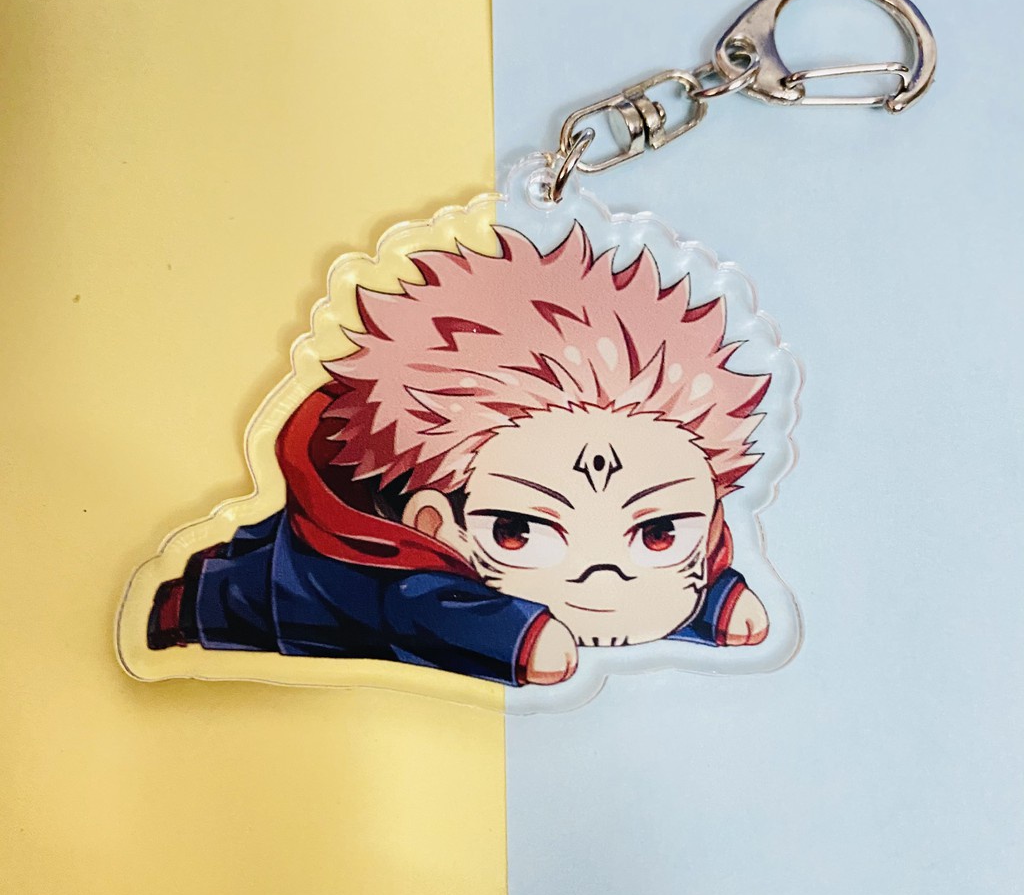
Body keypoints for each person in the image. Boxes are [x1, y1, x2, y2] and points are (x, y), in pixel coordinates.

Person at [148, 223, 770, 686]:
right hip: (244, 599)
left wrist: (712, 602)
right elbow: (424, 614)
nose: (602, 577)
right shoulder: (405, 583)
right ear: (437, 526)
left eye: (659, 532)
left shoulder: (686, 517)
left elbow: (663, 587)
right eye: (520, 532)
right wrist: (518, 638)